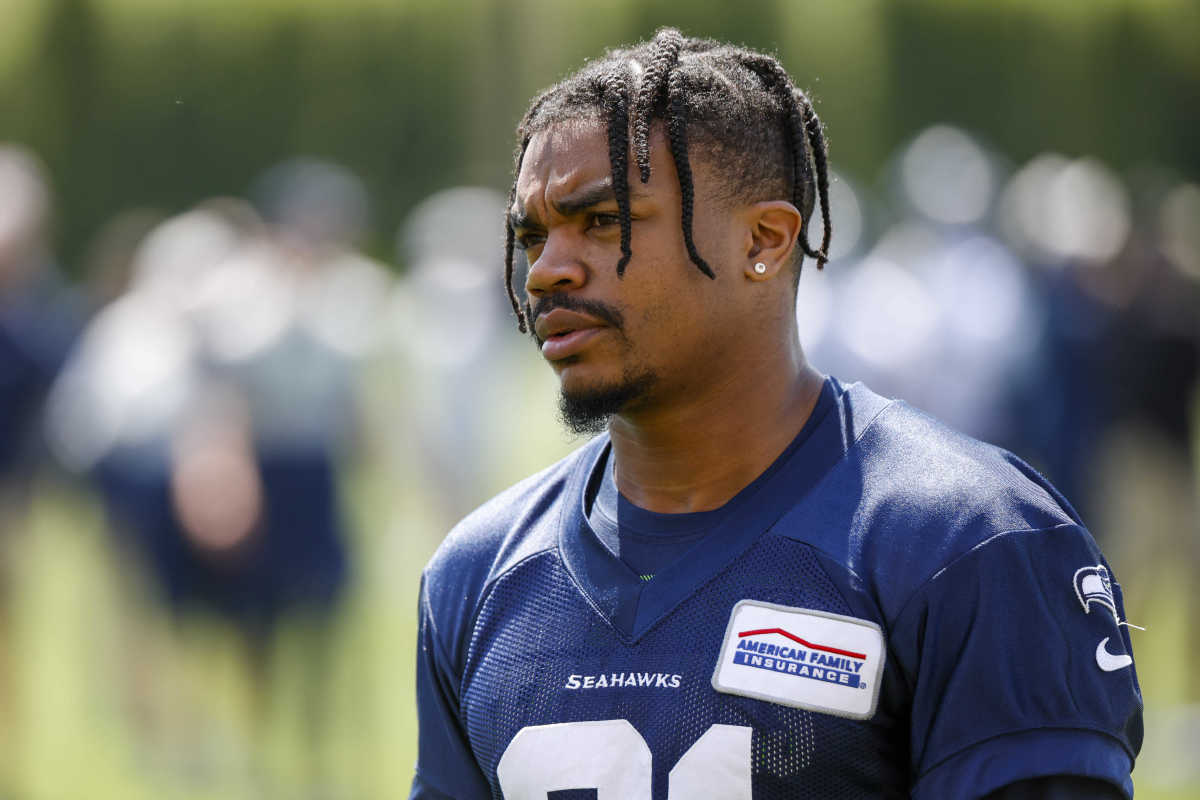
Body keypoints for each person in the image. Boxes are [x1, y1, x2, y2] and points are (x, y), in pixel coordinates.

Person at [411, 29, 1142, 799]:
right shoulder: (478, 575)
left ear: (763, 240)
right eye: (532, 236)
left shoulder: (972, 543)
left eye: (602, 221)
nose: (546, 271)